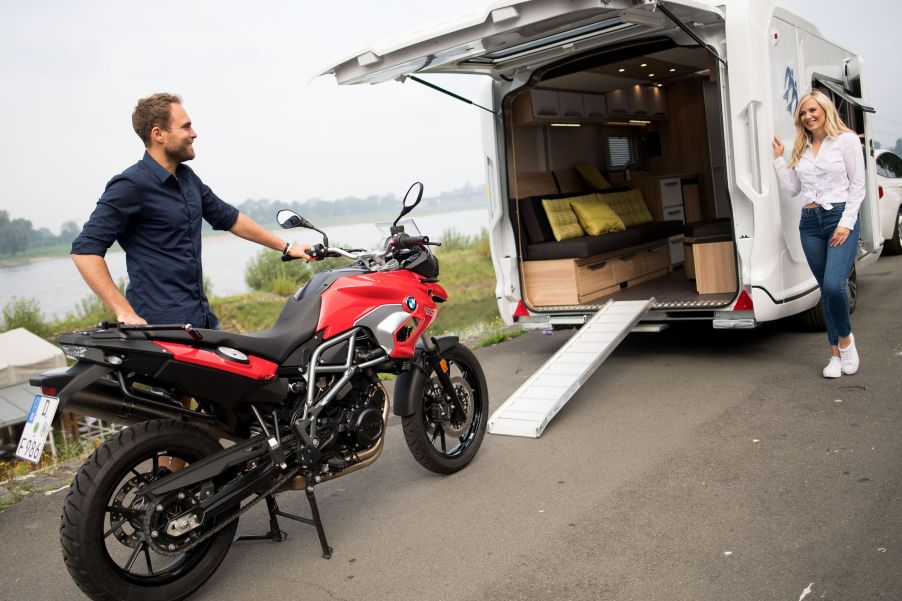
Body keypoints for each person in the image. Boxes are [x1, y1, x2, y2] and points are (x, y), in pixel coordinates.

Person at [71, 93, 312, 328]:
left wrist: (288, 248)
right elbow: (85, 251)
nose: (194, 134)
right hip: (163, 330)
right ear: (158, 134)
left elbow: (230, 218)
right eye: (185, 127)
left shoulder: (187, 178)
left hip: (202, 321)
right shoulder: (130, 185)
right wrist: (123, 311)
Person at [772, 89, 864, 378]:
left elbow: (857, 186)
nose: (808, 116)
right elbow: (793, 189)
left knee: (836, 285)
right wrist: (779, 159)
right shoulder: (802, 146)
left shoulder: (846, 141)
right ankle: (835, 354)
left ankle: (847, 341)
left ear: (825, 110)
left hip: (839, 217)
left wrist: (846, 223)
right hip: (810, 222)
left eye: (813, 110)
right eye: (803, 113)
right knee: (825, 289)